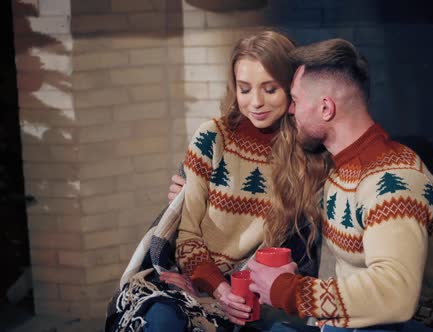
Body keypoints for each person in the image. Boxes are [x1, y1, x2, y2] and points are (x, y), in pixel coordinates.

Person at [246, 39, 433, 332]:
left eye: (295, 100)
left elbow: (395, 295)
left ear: (325, 109)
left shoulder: (394, 181)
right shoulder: (340, 170)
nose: (290, 111)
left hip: (431, 326)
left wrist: (290, 290)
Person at [105, 30, 327, 332]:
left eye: (270, 89)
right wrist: (218, 288)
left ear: (292, 89)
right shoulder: (213, 137)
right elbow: (187, 234)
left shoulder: (310, 156)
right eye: (244, 89)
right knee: (160, 321)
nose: (256, 102)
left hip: (258, 292)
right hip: (193, 278)